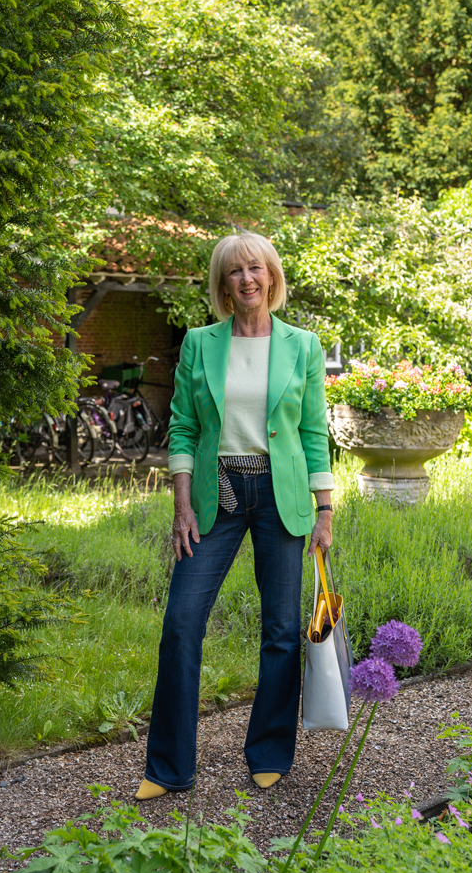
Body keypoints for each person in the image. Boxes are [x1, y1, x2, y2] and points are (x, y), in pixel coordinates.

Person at [135, 231, 334, 800]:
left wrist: (324, 511)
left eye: (256, 268)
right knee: (180, 624)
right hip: (213, 494)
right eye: (234, 272)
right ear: (222, 285)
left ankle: (269, 752)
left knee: (280, 630)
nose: (247, 279)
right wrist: (180, 504)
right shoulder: (200, 343)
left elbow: (314, 434)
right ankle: (168, 767)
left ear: (271, 276)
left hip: (281, 494)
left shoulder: (303, 346)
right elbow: (183, 426)